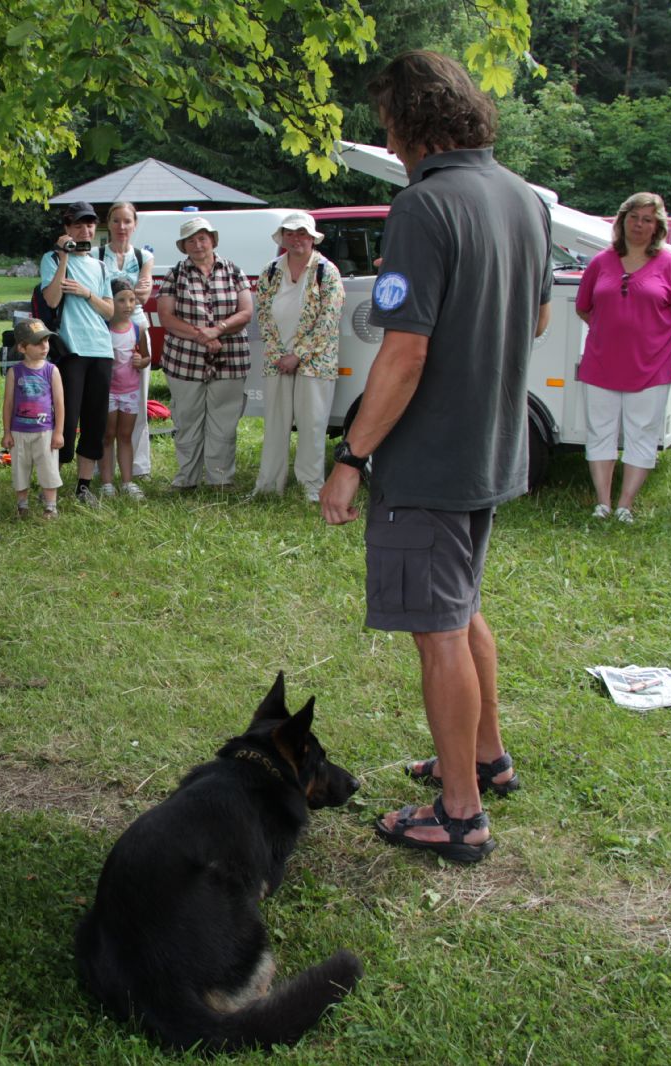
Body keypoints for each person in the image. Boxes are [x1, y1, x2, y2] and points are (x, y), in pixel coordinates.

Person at [320, 50, 554, 864]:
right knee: (461, 610)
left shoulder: (422, 207)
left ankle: (458, 813)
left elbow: (404, 353)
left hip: (429, 459)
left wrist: (352, 455)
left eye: (387, 123)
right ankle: (485, 760)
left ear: (407, 124)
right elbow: (532, 324)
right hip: (492, 445)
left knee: (436, 630)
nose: (387, 137)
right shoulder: (522, 197)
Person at [574, 192, 671, 522]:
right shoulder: (601, 262)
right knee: (600, 431)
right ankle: (602, 502)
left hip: (651, 367)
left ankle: (625, 505)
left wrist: (658, 340)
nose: (639, 225)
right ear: (622, 220)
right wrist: (611, 331)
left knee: (641, 433)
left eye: (647, 220)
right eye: (634, 217)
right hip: (601, 363)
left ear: (658, 227)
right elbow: (584, 307)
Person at [157, 216, 254, 490]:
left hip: (230, 359)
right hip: (185, 361)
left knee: (224, 423)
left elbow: (246, 312)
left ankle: (220, 480)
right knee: (187, 420)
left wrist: (219, 329)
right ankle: (186, 479)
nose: (198, 244)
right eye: (191, 240)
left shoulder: (234, 270)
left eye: (202, 238)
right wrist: (204, 335)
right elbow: (166, 316)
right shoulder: (175, 274)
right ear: (183, 246)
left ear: (213, 240)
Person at [254, 211, 345, 501]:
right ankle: (268, 486)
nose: (297, 239)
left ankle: (311, 488)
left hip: (316, 363)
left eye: (302, 233)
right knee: (275, 424)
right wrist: (282, 354)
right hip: (277, 361)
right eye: (291, 233)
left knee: (312, 425)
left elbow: (329, 319)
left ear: (312, 237)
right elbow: (264, 316)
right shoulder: (270, 271)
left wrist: (299, 355)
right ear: (282, 237)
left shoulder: (326, 271)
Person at [40, 201, 116, 505]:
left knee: (95, 420)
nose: (85, 230)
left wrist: (87, 293)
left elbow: (110, 311)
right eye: (78, 225)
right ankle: (52, 483)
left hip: (101, 348)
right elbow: (52, 300)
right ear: (67, 229)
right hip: (71, 350)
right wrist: (62, 260)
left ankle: (84, 485)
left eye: (89, 225)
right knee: (66, 419)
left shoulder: (100, 266)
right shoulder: (51, 259)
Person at [97, 201, 156, 482]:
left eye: (127, 222)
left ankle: (138, 466)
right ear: (108, 223)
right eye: (117, 221)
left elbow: (142, 296)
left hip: (137, 331)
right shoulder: (98, 255)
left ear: (135, 225)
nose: (122, 227)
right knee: (103, 401)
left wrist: (118, 292)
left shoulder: (144, 256)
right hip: (104, 331)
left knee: (138, 400)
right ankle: (102, 467)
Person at [2, 320, 66, 519]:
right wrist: (7, 432)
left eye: (46, 340)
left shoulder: (52, 371)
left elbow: (59, 403)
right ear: (22, 347)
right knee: (20, 470)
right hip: (19, 431)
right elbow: (8, 403)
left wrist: (58, 432)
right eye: (38, 342)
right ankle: (22, 505)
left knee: (48, 469)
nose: (44, 346)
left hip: (45, 431)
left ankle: (50, 507)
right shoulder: (15, 372)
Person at [100, 277, 150, 499]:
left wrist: (142, 361)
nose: (128, 305)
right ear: (111, 301)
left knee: (126, 435)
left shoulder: (138, 328)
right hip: (108, 392)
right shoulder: (103, 328)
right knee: (108, 435)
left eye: (132, 300)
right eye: (121, 300)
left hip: (130, 391)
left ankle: (127, 482)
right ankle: (107, 482)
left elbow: (147, 357)